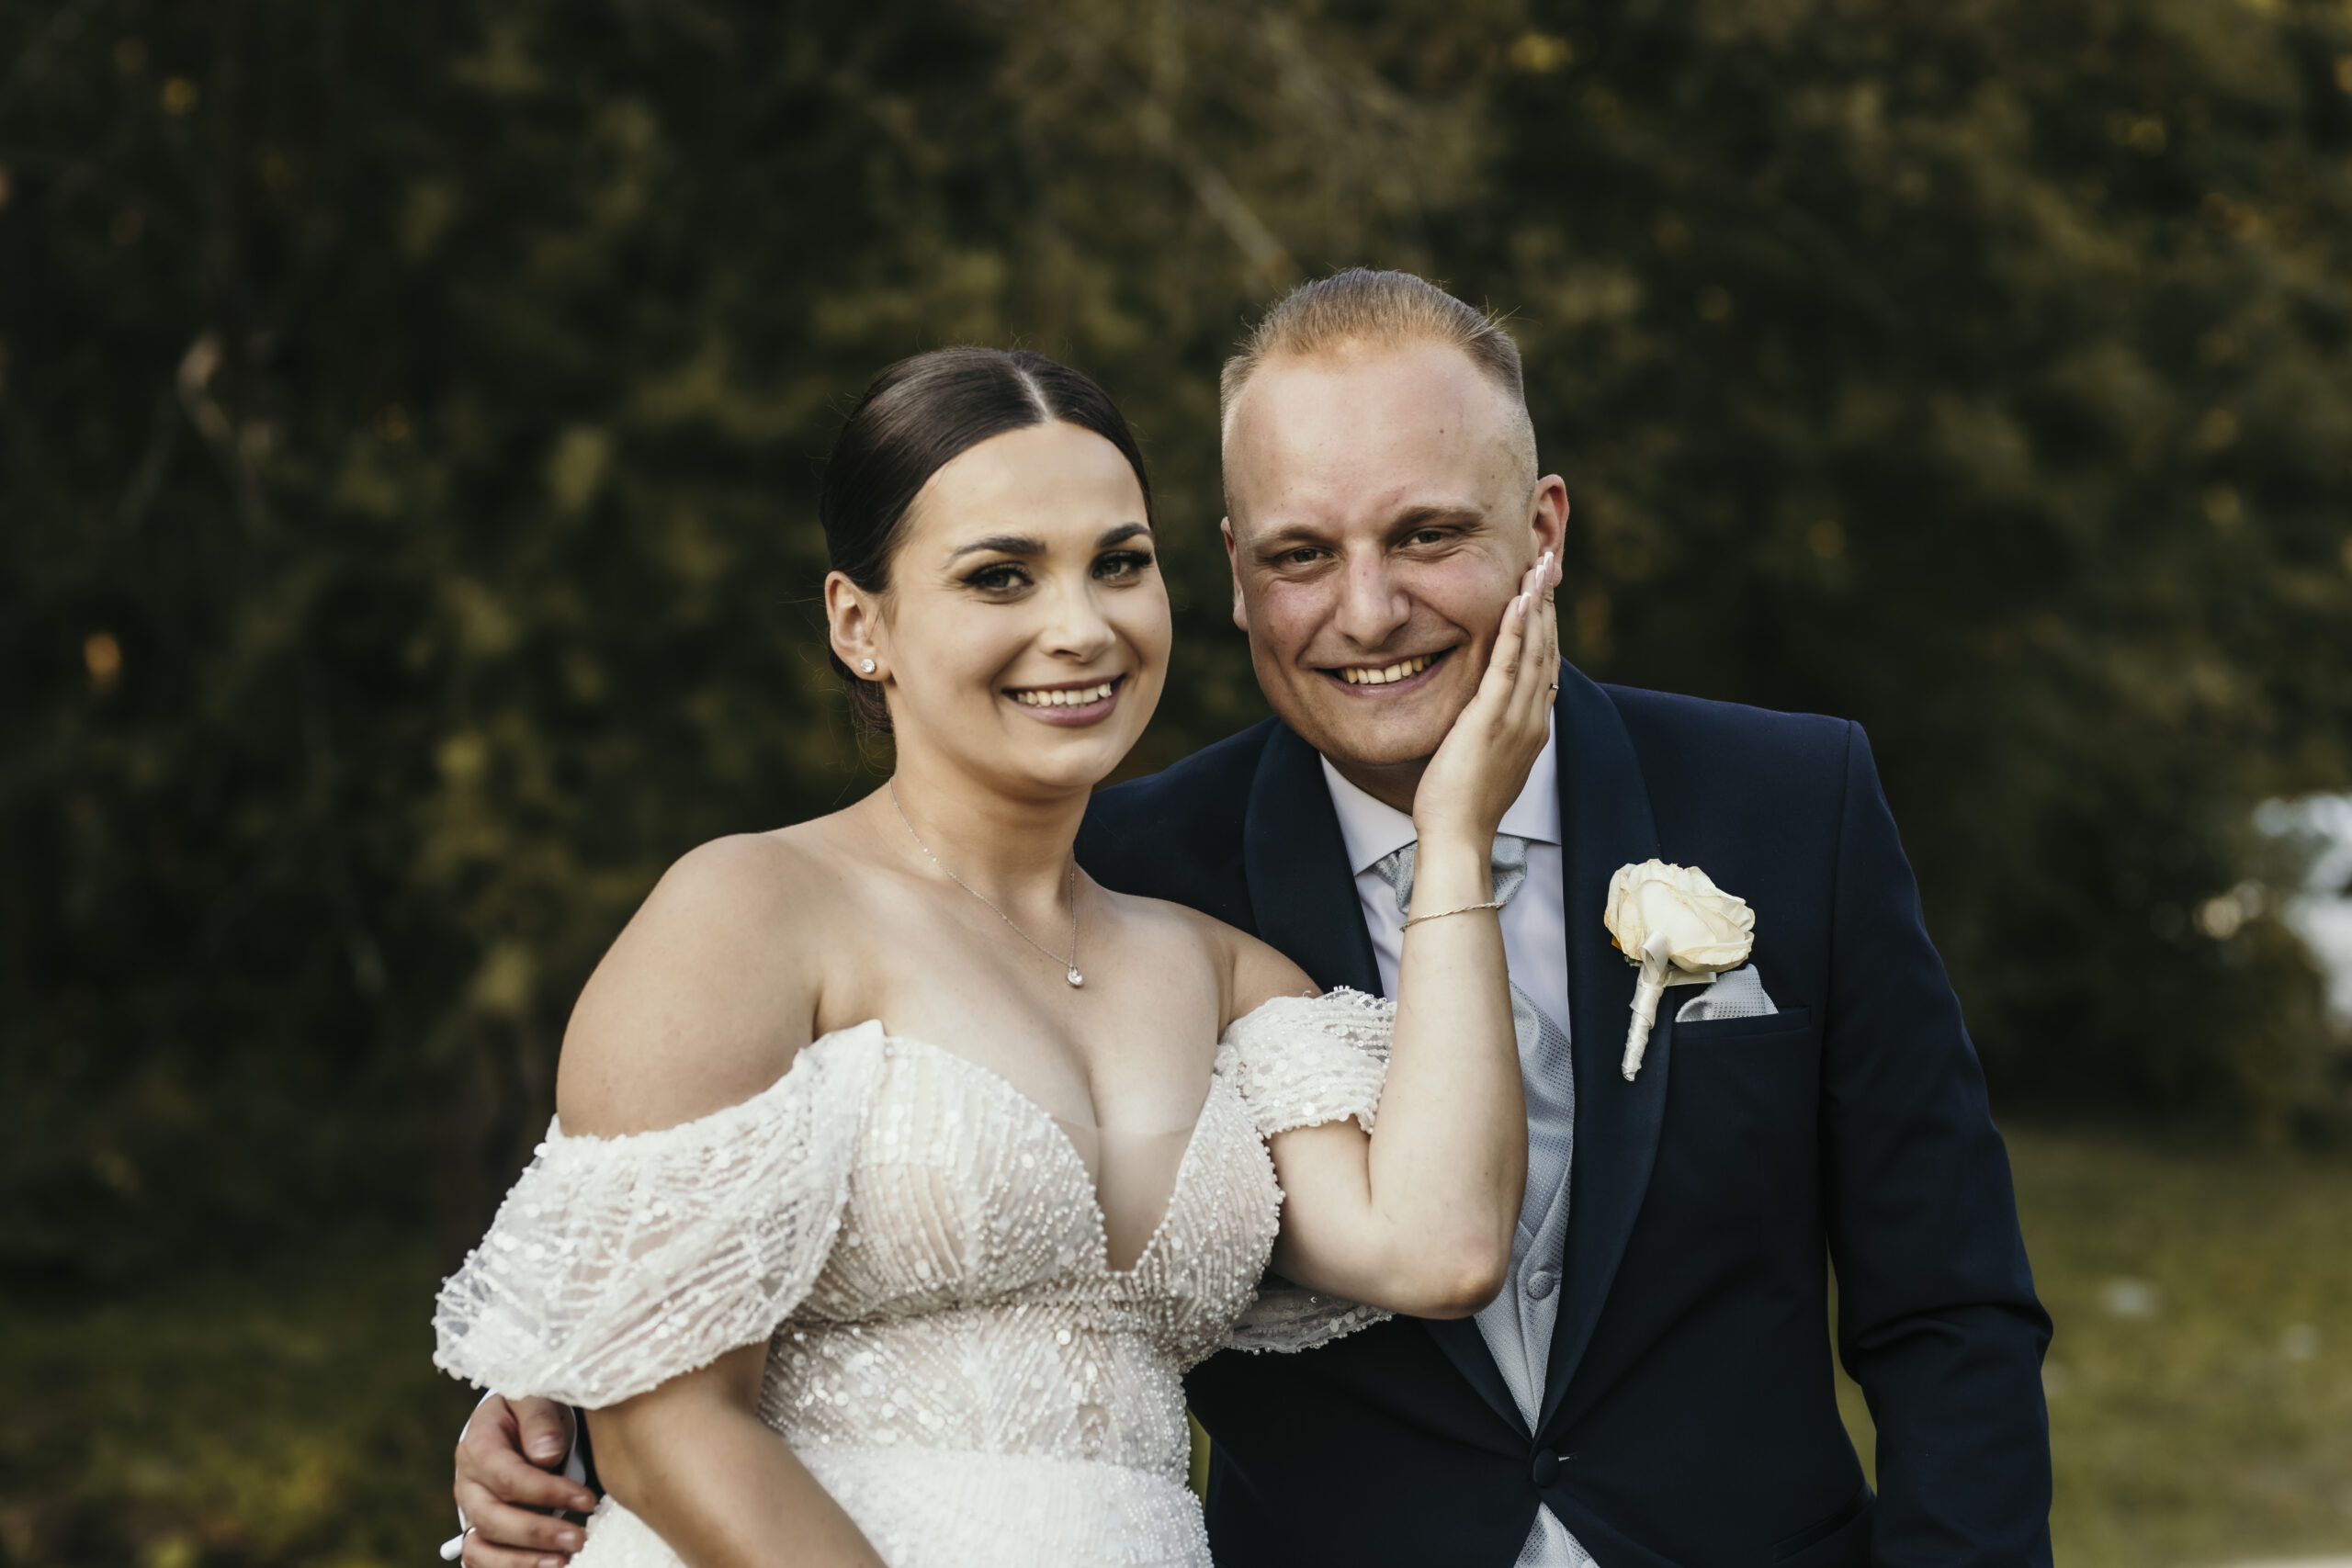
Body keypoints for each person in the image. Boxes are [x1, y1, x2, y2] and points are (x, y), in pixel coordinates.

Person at [456, 271, 2053, 1568]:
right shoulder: (1153, 854)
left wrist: (1451, 837)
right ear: (1236, 573)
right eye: (1301, 554)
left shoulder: (1789, 803)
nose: (1368, 609)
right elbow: (695, 1260)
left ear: (1545, 530)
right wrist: (558, 1411)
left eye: (1429, 534)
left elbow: (1947, 1306)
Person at [432, 344, 1563, 1568]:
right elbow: (665, 1430)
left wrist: (1455, 837)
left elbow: (1441, 1245)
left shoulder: (1219, 972)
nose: (1080, 628)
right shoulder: (749, 911)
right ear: (860, 624)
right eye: (1000, 577)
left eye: (1118, 565)